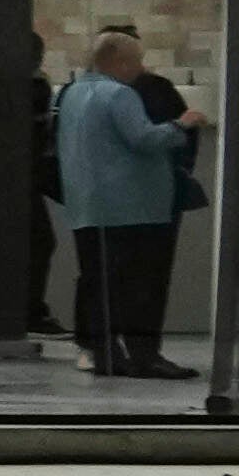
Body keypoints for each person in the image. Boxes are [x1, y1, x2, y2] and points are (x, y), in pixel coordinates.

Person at [55, 23, 195, 377]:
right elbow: (143, 139)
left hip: (89, 205)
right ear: (117, 61)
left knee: (100, 282)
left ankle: (104, 352)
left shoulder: (72, 93)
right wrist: (182, 125)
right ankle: (145, 355)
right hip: (132, 206)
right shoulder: (119, 94)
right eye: (136, 60)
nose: (141, 68)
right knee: (141, 285)